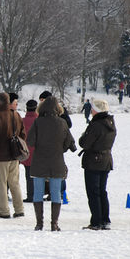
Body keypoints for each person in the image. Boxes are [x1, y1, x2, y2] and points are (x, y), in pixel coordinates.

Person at [27, 97, 77, 231]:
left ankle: (39, 224)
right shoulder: (62, 122)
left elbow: (30, 141)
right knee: (55, 192)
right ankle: (54, 224)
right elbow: (70, 143)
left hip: (39, 162)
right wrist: (61, 149)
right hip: (57, 161)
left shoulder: (38, 122)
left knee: (38, 192)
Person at [79, 99, 116, 230]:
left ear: (97, 110)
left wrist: (84, 136)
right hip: (106, 159)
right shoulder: (110, 123)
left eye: (93, 108)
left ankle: (96, 221)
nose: (91, 111)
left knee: (93, 192)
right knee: (102, 191)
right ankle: (105, 220)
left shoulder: (96, 125)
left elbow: (85, 143)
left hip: (93, 161)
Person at [0, 92, 25, 219]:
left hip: (1, 157)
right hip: (14, 156)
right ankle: (19, 209)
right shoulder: (17, 115)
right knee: (15, 183)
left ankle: (4, 210)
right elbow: (23, 135)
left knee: (1, 184)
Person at [21, 99, 38, 203]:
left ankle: (30, 195)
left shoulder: (22, 121)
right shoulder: (39, 120)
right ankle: (38, 194)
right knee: (39, 176)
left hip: (26, 151)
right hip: (38, 152)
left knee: (28, 175)